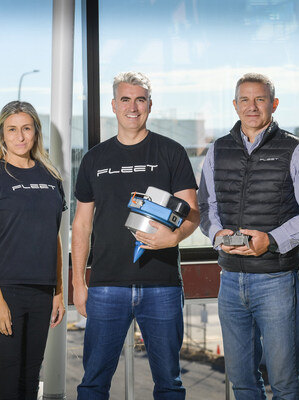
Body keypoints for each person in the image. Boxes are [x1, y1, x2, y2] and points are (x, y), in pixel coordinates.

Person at [198, 72, 299, 399]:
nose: (252, 106)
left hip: (277, 279)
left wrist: (270, 240)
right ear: (235, 104)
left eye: (260, 99)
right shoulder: (217, 149)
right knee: (242, 382)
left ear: (274, 103)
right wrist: (216, 234)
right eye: (245, 99)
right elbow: (205, 206)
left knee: (284, 384)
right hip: (230, 279)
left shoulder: (296, 149)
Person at [72, 71, 199, 399]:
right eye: (125, 100)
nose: (133, 107)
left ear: (150, 105)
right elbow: (82, 225)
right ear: (113, 105)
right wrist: (78, 283)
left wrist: (174, 238)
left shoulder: (171, 152)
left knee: (169, 384)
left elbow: (192, 213)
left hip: (162, 285)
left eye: (140, 100)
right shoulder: (94, 159)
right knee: (92, 384)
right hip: (106, 286)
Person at [0, 101, 67, 399]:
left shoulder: (51, 177)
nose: (20, 136)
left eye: (26, 128)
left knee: (30, 377)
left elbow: (54, 237)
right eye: (12, 130)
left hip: (42, 291)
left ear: (36, 132)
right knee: (8, 380)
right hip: (5, 289)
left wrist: (59, 291)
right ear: (1, 134)